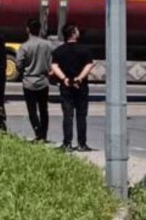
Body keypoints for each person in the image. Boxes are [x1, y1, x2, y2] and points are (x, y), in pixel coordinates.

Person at [50, 23, 94, 151]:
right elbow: (89, 65)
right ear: (74, 33)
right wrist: (79, 78)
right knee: (81, 115)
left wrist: (64, 78)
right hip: (81, 86)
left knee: (67, 115)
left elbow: (54, 66)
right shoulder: (84, 50)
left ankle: (67, 143)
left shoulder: (59, 51)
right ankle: (82, 144)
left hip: (66, 85)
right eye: (77, 30)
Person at [17, 17, 53, 142]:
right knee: (44, 109)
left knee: (32, 110)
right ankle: (44, 134)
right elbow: (51, 62)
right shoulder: (48, 45)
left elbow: (19, 64)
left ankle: (38, 134)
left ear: (28, 30)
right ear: (39, 29)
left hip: (29, 82)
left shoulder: (24, 46)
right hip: (43, 81)